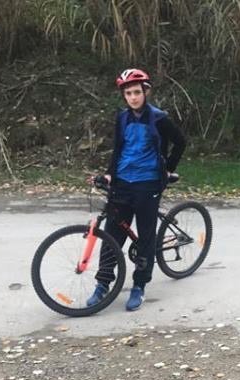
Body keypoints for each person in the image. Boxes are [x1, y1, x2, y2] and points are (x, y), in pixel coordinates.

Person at [87, 68, 187, 311]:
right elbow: (118, 149)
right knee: (112, 235)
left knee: (145, 237)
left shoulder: (159, 118)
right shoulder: (121, 118)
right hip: (122, 182)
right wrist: (110, 174)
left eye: (136, 92)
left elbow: (181, 142)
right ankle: (102, 284)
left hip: (147, 183)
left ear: (145, 92)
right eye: (128, 93)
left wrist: (167, 169)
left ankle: (139, 286)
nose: (132, 97)